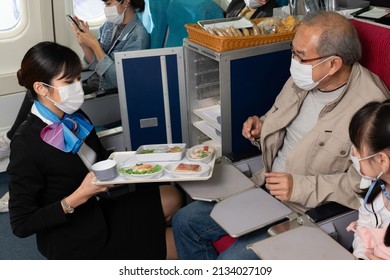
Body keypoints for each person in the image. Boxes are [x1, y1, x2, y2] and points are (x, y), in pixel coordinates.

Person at [172, 11, 390, 260]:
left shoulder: (370, 110)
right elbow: (283, 123)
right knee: (184, 222)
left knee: (231, 262)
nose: (294, 61)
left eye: (301, 56)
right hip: (263, 184)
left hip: (302, 210)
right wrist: (261, 128)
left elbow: (366, 185)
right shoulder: (307, 79)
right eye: (293, 51)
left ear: (333, 64)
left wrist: (300, 186)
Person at [7, 41, 177, 260]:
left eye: (78, 78)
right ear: (41, 88)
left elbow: (99, 160)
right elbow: (21, 224)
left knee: (172, 195)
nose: (78, 86)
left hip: (101, 209)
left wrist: (142, 160)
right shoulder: (26, 143)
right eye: (69, 81)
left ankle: (145, 239)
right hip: (75, 236)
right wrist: (79, 196)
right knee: (178, 243)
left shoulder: (75, 117)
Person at [0, 0, 151, 212]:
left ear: (125, 2)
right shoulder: (109, 26)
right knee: (36, 91)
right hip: (96, 80)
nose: (105, 7)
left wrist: (95, 45)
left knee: (43, 92)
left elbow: (122, 80)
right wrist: (83, 43)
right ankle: (12, 146)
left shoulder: (139, 36)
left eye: (108, 2)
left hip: (112, 89)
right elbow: (93, 63)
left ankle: (9, 141)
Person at [346, 100, 390, 260]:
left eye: (358, 149)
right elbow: (364, 226)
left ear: (382, 160)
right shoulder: (371, 183)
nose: (353, 153)